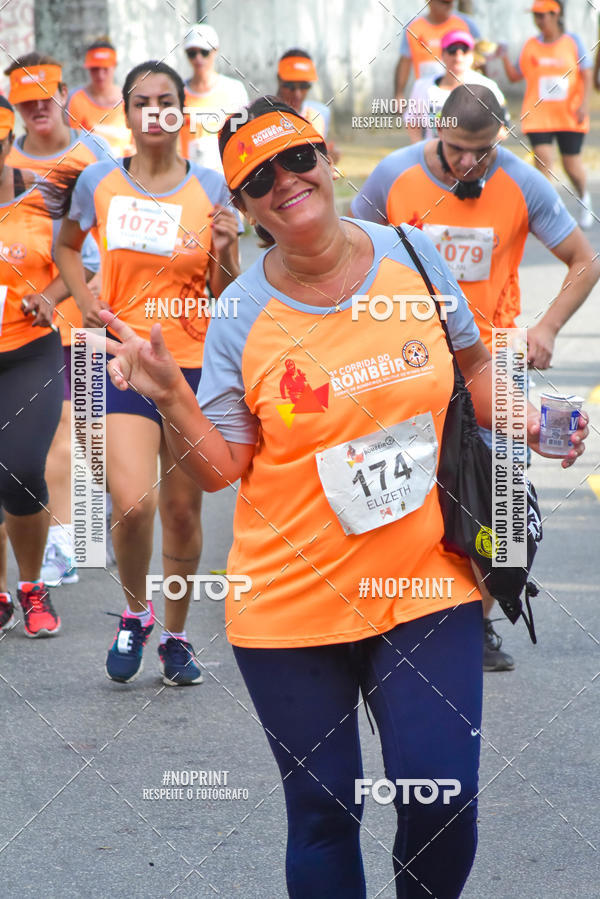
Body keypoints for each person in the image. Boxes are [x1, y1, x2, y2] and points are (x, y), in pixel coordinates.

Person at [97, 96, 587, 897]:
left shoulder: (415, 259)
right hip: (290, 603)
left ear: (326, 159)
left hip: (425, 579)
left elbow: (471, 376)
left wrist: (531, 414)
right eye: (258, 178)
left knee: (445, 797)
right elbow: (223, 469)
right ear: (246, 207)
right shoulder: (239, 316)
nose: (284, 182)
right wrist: (171, 400)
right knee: (324, 811)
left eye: (295, 158)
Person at [351, 84, 600, 670]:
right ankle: (390, 613)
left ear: (500, 140)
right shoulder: (393, 175)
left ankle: (480, 622)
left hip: (496, 359)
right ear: (437, 132)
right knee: (400, 489)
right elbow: (347, 248)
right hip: (407, 357)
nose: (468, 162)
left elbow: (584, 259)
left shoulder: (523, 182)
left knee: (500, 499)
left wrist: (547, 328)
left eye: (481, 151)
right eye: (457, 148)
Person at [56, 60, 241, 686]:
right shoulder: (99, 182)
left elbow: (226, 292)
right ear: (128, 113)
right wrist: (83, 302)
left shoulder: (212, 187)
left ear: (181, 113)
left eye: (167, 101)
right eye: (142, 101)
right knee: (134, 504)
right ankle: (136, 613)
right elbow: (65, 243)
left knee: (184, 514)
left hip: (192, 366)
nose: (154, 112)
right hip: (120, 359)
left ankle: (178, 635)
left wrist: (229, 248)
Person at [5, 52, 107, 588]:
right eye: (26, 100)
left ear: (64, 92)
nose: (38, 107)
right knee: (53, 433)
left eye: (46, 95)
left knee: (81, 428)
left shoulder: (94, 157)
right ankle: (63, 538)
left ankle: (82, 535)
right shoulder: (9, 160)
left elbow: (107, 243)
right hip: (25, 324)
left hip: (83, 304)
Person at [0, 96, 70, 637]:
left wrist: (49, 295)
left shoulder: (43, 196)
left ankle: (32, 585)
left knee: (21, 469)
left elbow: (80, 264)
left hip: (29, 350)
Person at [499, 0, 593, 229]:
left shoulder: (573, 42)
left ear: (555, 14)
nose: (538, 21)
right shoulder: (531, 45)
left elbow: (587, 73)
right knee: (544, 163)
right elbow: (514, 75)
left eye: (542, 16)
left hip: (569, 114)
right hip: (538, 115)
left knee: (571, 165)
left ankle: (584, 196)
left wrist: (584, 104)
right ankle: (549, 212)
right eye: (535, 16)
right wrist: (501, 57)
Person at [405, 29, 507, 142]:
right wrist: (421, 151)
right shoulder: (422, 86)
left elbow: (503, 130)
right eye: (452, 50)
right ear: (442, 54)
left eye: (464, 50)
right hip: (434, 155)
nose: (458, 57)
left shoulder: (488, 87)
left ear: (472, 55)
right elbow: (412, 122)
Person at [179, 23, 248, 172]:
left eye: (204, 52)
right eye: (192, 53)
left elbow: (244, 136)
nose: (198, 58)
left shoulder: (234, 90)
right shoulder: (177, 92)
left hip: (225, 176)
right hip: (190, 176)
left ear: (215, 50)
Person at [395, 0, 480, 102]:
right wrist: (399, 94)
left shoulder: (466, 24)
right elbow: (405, 61)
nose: (450, 6)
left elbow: (480, 59)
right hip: (428, 94)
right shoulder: (414, 27)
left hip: (461, 94)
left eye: (452, 2)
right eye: (444, 2)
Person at [66, 37, 133, 158]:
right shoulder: (75, 99)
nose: (100, 75)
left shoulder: (130, 99)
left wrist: (135, 152)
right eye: (95, 69)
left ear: (114, 67)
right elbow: (70, 146)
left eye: (105, 69)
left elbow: (139, 142)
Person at [276, 48, 340, 163]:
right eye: (290, 86)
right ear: (279, 80)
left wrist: (327, 157)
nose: (297, 94)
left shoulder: (317, 116)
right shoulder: (263, 115)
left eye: (304, 86)